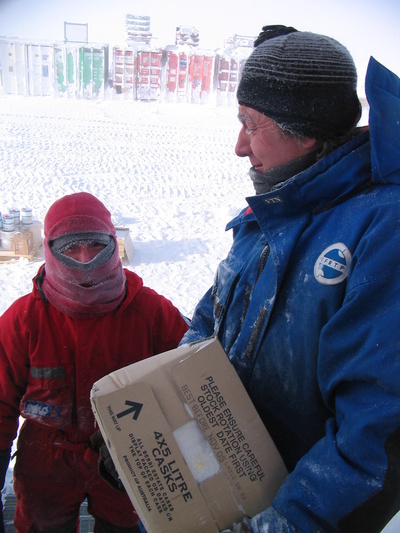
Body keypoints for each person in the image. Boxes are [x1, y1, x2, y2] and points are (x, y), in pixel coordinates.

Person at [180, 25, 400, 532]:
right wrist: (156, 415)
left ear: (305, 130)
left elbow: (376, 433)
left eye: (250, 124)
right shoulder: (275, 208)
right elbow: (209, 321)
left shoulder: (381, 228)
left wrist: (279, 526)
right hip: (224, 490)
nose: (239, 146)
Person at [0, 192, 189, 533]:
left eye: (95, 245)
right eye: (70, 248)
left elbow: (191, 379)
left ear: (112, 245)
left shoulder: (152, 312)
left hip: (128, 459)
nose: (85, 259)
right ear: (50, 248)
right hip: (46, 463)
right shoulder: (23, 320)